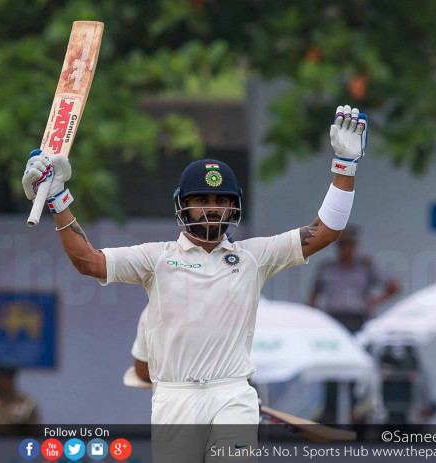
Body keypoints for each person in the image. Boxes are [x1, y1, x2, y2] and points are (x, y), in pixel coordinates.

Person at [22, 105, 368, 459]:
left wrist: (345, 167)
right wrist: (57, 199)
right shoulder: (155, 258)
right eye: (201, 200)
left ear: (234, 208)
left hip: (233, 394)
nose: (212, 208)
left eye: (221, 200)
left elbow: (325, 231)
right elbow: (89, 262)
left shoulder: (255, 256)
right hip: (175, 398)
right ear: (182, 207)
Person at [308, 226, 400, 333]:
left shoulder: (365, 267)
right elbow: (313, 295)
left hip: (358, 318)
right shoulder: (327, 269)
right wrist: (317, 317)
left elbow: (394, 286)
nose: (346, 249)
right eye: (343, 245)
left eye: (350, 245)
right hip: (333, 318)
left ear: (355, 245)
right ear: (337, 246)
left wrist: (375, 301)